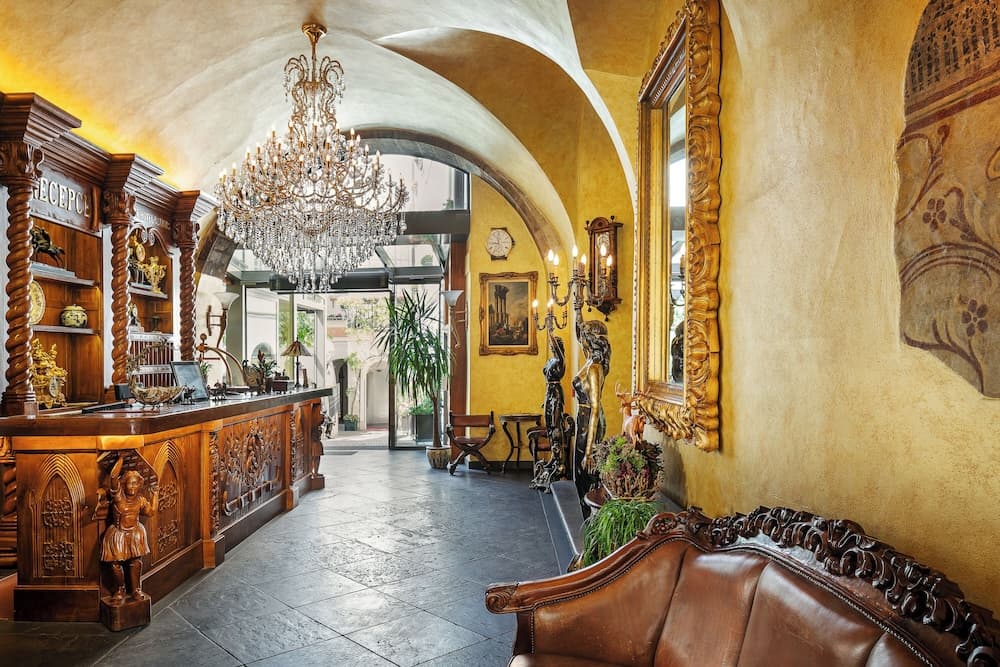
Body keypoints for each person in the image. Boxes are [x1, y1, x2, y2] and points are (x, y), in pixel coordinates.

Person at [101, 456, 155, 605]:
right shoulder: (119, 497)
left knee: (135, 561)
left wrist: (155, 495)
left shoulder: (140, 500)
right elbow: (113, 477)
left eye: (135, 484)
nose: (133, 487)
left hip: (135, 532)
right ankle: (120, 589)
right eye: (130, 483)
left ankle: (136, 589)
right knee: (115, 564)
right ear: (123, 485)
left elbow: (150, 512)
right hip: (118, 533)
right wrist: (121, 457)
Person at [573, 317, 610, 497]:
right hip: (583, 420)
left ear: (589, 339)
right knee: (578, 472)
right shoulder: (588, 362)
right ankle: (583, 506)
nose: (580, 338)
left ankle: (589, 508)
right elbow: (577, 332)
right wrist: (577, 311)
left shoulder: (595, 368)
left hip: (590, 422)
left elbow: (595, 409)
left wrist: (589, 451)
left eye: (583, 335)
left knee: (586, 471)